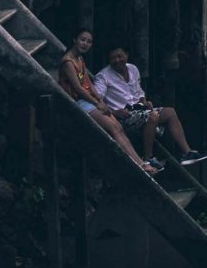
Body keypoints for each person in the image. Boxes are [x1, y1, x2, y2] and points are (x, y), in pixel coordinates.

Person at [91, 45, 204, 165]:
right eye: (113, 58)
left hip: (139, 110)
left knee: (170, 112)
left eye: (120, 56)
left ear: (127, 55)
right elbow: (97, 100)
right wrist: (114, 112)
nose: (117, 60)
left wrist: (144, 101)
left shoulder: (133, 69)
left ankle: (187, 153)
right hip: (122, 117)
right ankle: (148, 157)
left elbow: (138, 92)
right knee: (153, 116)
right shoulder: (103, 76)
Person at [55, 31, 154, 167]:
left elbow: (89, 85)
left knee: (118, 127)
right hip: (77, 102)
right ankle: (139, 163)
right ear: (74, 40)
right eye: (82, 40)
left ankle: (139, 161)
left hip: (88, 100)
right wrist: (96, 102)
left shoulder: (80, 59)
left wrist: (100, 101)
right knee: (114, 128)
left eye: (89, 41)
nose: (85, 44)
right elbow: (78, 88)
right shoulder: (68, 62)